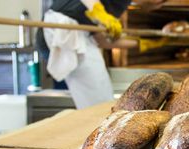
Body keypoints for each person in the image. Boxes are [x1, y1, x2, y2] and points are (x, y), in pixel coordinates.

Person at [36, 0, 166, 109]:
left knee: (100, 95)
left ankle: (100, 131)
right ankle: (100, 134)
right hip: (62, 27)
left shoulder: (120, 4)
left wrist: (144, 44)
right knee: (99, 101)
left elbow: (102, 41)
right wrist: (98, 11)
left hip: (80, 33)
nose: (159, 5)